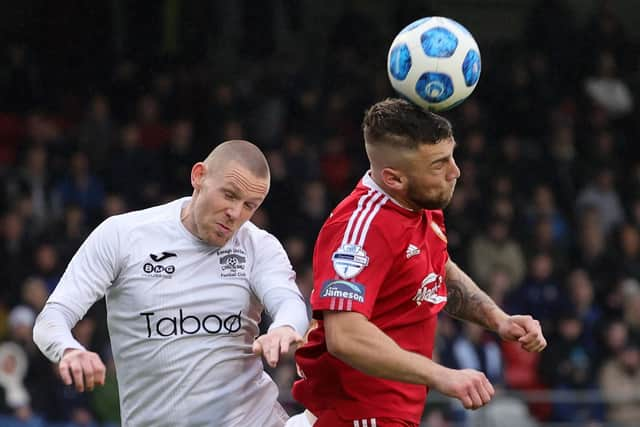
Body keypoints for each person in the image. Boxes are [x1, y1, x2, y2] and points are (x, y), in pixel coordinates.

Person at [289, 99, 547, 427]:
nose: (456, 171)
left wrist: (498, 320)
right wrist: (443, 376)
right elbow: (346, 336)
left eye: (452, 156)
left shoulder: (420, 204)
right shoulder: (359, 229)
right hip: (354, 416)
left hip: (394, 414)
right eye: (439, 164)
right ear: (394, 178)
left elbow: (436, 269)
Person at [33, 140, 310, 427]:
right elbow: (52, 317)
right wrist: (69, 349)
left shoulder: (258, 246)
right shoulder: (123, 236)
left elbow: (289, 302)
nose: (236, 213)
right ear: (198, 176)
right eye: (229, 195)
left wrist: (284, 327)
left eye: (250, 206)